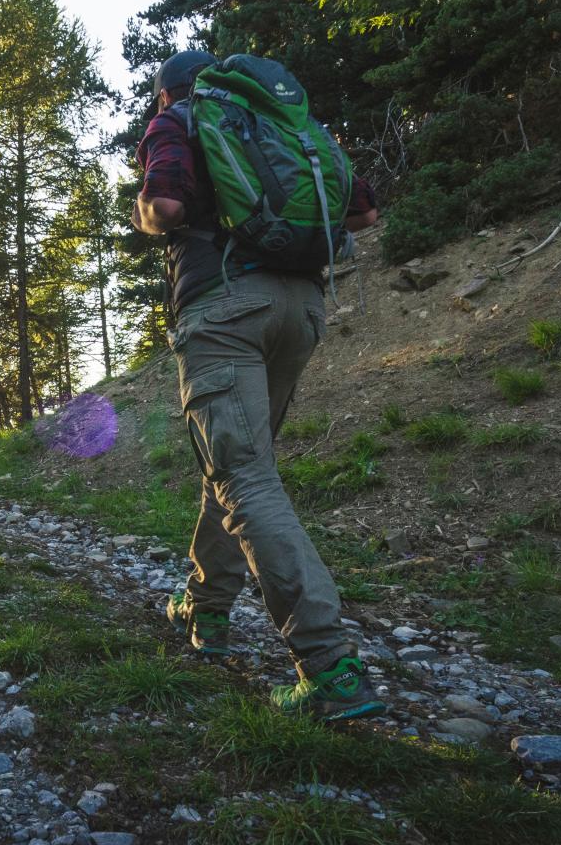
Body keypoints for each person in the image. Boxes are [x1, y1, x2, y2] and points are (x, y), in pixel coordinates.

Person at [131, 49, 385, 720]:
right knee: (238, 468)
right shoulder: (279, 122)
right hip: (301, 310)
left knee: (243, 476)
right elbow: (363, 214)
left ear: (166, 94)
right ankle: (206, 608)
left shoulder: (178, 120)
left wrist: (144, 215)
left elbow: (165, 204)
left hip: (224, 309)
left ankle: (329, 666)